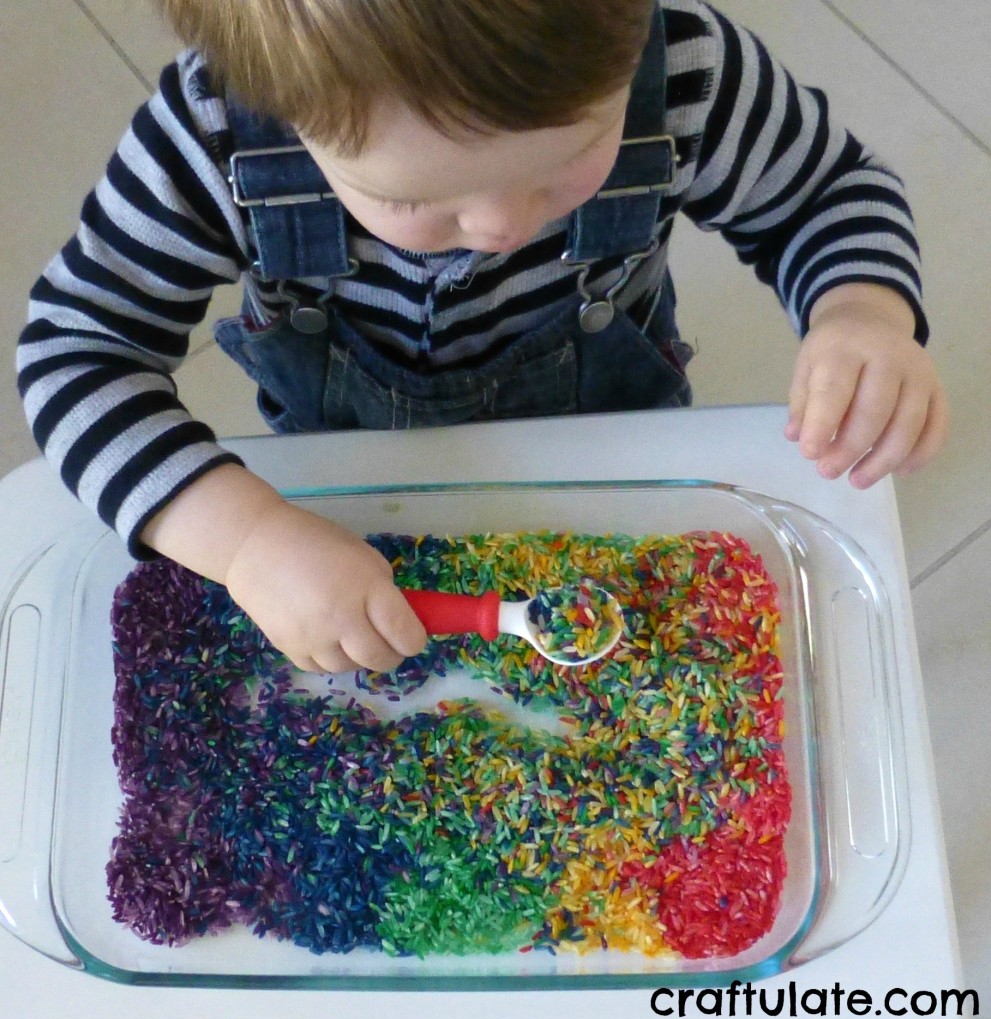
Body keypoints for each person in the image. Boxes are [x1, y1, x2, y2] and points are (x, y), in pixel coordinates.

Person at [17, 0, 947, 676]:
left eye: (565, 160)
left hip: (617, 451)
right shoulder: (216, 134)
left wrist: (861, 311)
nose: (504, 225)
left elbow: (827, 193)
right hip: (347, 496)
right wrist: (243, 540)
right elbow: (76, 349)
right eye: (413, 199)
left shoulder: (687, 69)